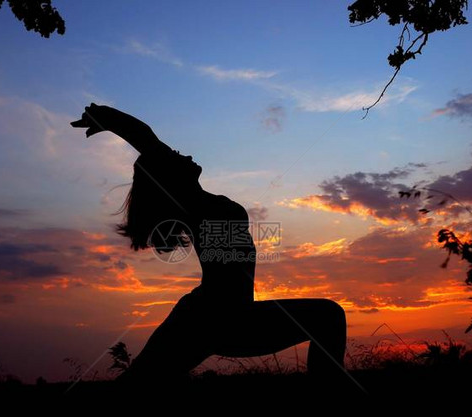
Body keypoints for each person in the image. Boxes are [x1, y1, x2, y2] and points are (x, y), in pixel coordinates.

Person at [72, 104, 347, 384]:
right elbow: (148, 140)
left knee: (139, 382)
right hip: (217, 318)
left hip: (216, 314)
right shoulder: (192, 205)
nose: (186, 155)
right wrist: (107, 117)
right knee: (328, 316)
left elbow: (153, 147)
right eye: (176, 156)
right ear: (169, 178)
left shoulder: (196, 202)